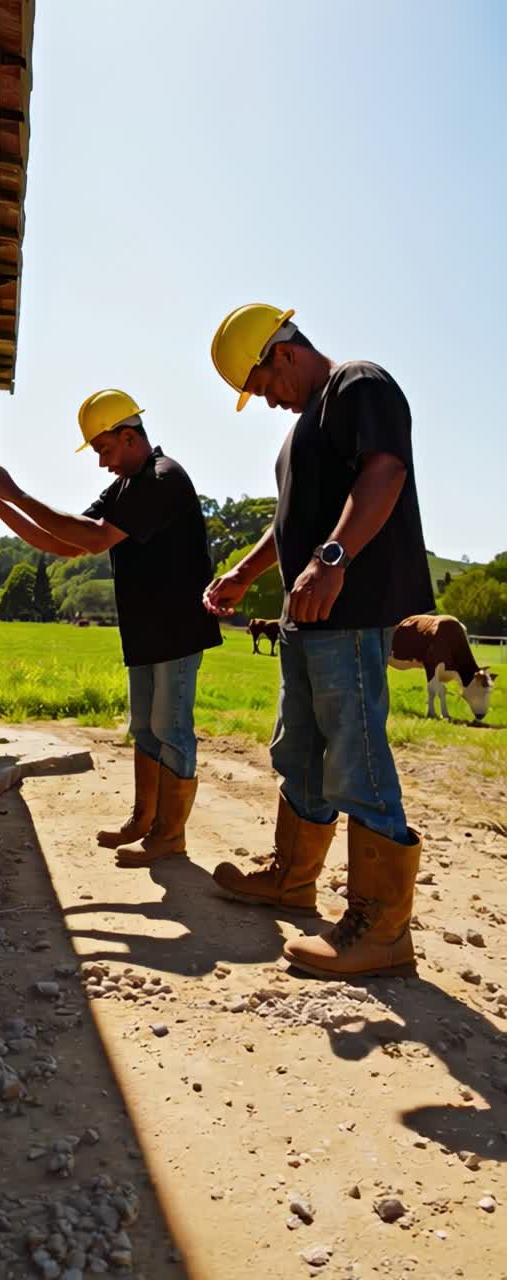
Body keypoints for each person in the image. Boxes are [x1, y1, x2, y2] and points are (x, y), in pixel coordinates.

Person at [205, 304, 434, 979]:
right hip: (307, 616)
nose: (268, 400)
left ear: (282, 353)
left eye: (262, 384)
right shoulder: (300, 431)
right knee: (297, 747)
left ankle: (382, 927)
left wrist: (332, 559)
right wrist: (247, 573)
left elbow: (385, 472)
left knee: (354, 753)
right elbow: (290, 523)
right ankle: (293, 878)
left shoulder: (359, 384)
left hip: (350, 607)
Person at [0, 389, 222, 866]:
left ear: (130, 437)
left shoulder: (162, 478)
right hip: (147, 630)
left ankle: (170, 836)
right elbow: (67, 543)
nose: (102, 463)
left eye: (105, 449)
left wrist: (15, 491)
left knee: (172, 729)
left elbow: (93, 537)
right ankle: (144, 820)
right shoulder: (126, 485)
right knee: (145, 730)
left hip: (178, 630)